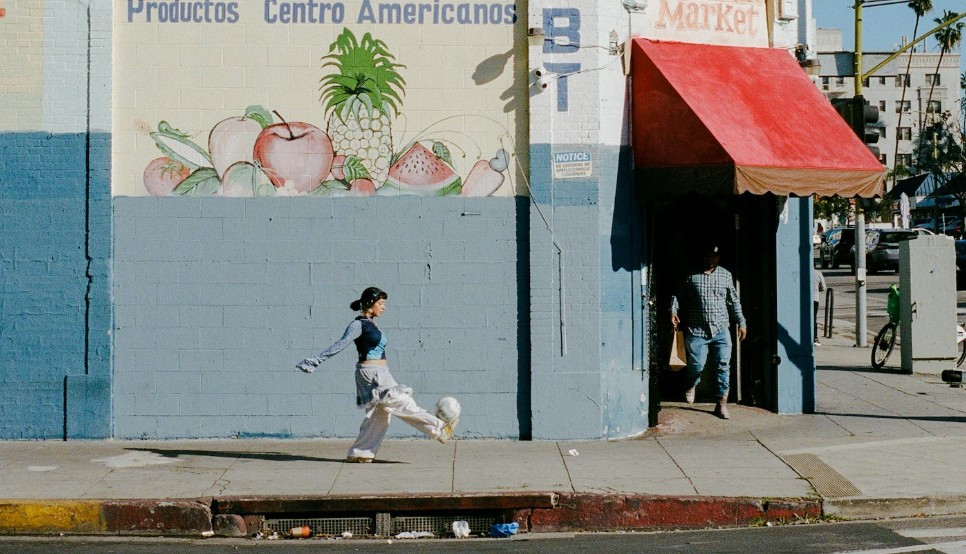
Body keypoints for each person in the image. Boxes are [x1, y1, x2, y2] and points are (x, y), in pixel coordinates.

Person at [296, 287, 458, 462]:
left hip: (379, 372)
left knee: (379, 415)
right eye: (380, 303)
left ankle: (360, 453)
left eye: (384, 303)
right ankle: (439, 428)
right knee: (401, 401)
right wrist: (315, 361)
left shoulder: (371, 323)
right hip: (371, 374)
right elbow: (341, 343)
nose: (383, 307)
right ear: (369, 304)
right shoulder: (358, 324)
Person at [670, 244, 747, 420]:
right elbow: (677, 295)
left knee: (723, 365)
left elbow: (733, 301)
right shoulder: (692, 275)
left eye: (715, 256)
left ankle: (721, 403)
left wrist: (741, 322)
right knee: (697, 364)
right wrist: (673, 311)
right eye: (708, 256)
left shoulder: (726, 275)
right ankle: (691, 383)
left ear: (719, 257)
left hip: (721, 329)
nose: (711, 260)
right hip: (697, 330)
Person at [813, 269, 827, 346]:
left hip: (803, 299)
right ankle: (815, 338)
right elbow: (823, 287)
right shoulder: (818, 273)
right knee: (813, 318)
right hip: (814, 298)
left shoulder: (802, 271)